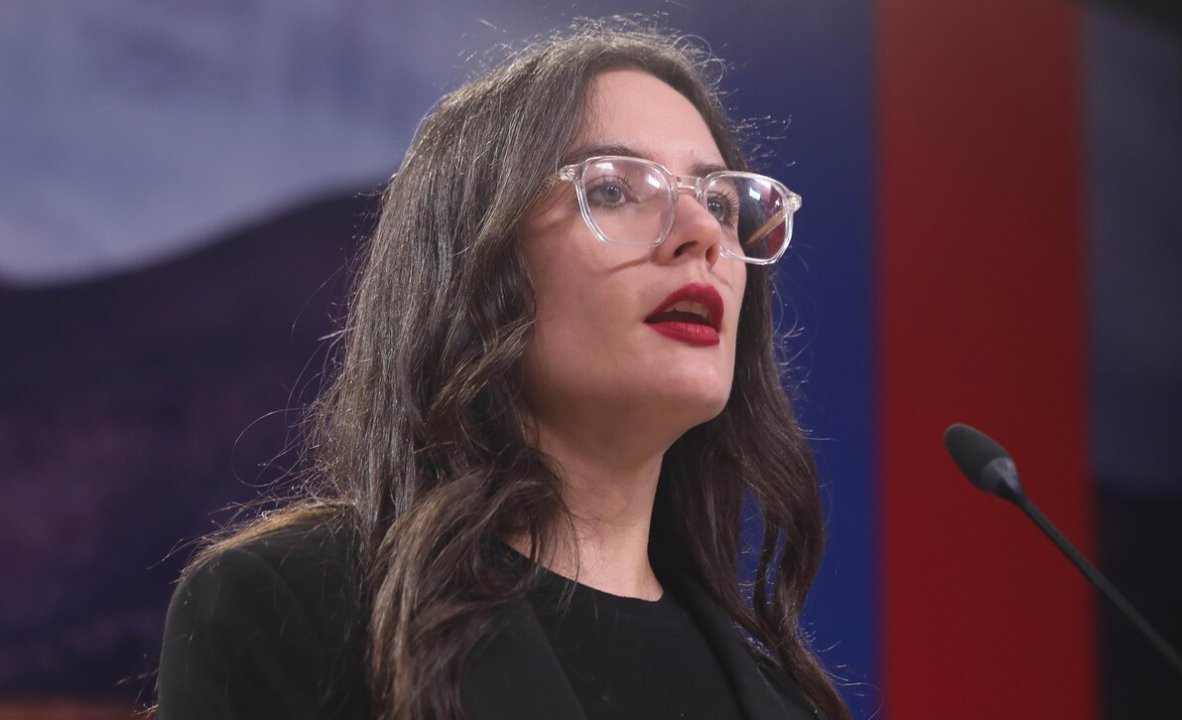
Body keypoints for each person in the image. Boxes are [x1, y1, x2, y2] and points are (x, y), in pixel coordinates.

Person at [156, 19, 853, 720]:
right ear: (473, 263)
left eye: (720, 203)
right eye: (613, 190)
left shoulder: (792, 705)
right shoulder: (291, 611)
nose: (702, 234)